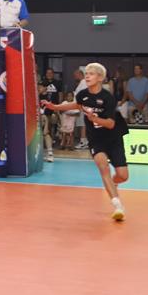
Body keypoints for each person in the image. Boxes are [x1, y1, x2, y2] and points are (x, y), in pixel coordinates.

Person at [42, 62, 128, 222]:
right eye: (86, 73)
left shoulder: (108, 98)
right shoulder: (82, 94)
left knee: (123, 176)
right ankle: (118, 206)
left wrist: (95, 119)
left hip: (113, 137)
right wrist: (55, 107)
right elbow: (77, 104)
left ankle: (114, 184)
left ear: (100, 78)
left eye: (91, 74)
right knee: (103, 168)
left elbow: (111, 124)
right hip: (96, 139)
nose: (87, 76)